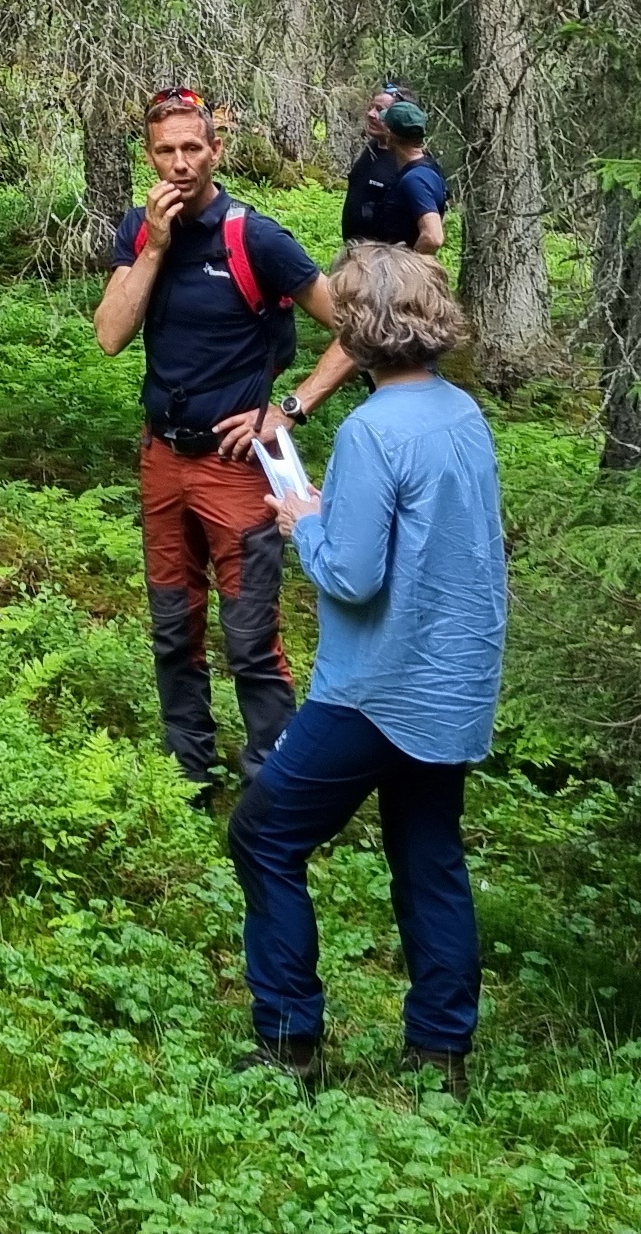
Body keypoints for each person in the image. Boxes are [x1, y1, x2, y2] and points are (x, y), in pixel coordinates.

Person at [231, 242, 506, 1092]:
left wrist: (300, 520)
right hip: (453, 681)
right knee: (429, 857)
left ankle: (289, 1042)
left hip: (376, 689)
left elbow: (351, 575)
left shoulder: (373, 430)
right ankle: (439, 1055)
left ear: (359, 328)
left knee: (264, 835)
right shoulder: (462, 413)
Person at [96, 84, 341, 788]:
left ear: (216, 150)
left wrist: (289, 408)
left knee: (250, 633)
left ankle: (274, 782)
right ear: (149, 155)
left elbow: (354, 329)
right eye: (165, 150)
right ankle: (188, 771)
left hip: (239, 465)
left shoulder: (254, 236)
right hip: (163, 456)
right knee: (174, 624)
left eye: (192, 148)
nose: (179, 164)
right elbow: (111, 335)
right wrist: (154, 249)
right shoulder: (140, 230)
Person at [283, 89, 449, 424]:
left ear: (397, 127)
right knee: (381, 351)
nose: (374, 116)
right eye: (372, 108)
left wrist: (409, 266)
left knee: (397, 349)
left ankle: (409, 421)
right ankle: (395, 411)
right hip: (369, 267)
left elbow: (433, 232)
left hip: (392, 283)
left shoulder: (414, 174)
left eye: (383, 112)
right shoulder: (381, 154)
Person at [338, 88, 450, 254]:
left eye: (381, 111)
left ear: (391, 134)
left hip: (390, 270)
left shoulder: (415, 178)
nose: (371, 114)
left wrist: (409, 265)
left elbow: (433, 237)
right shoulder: (378, 151)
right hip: (367, 260)